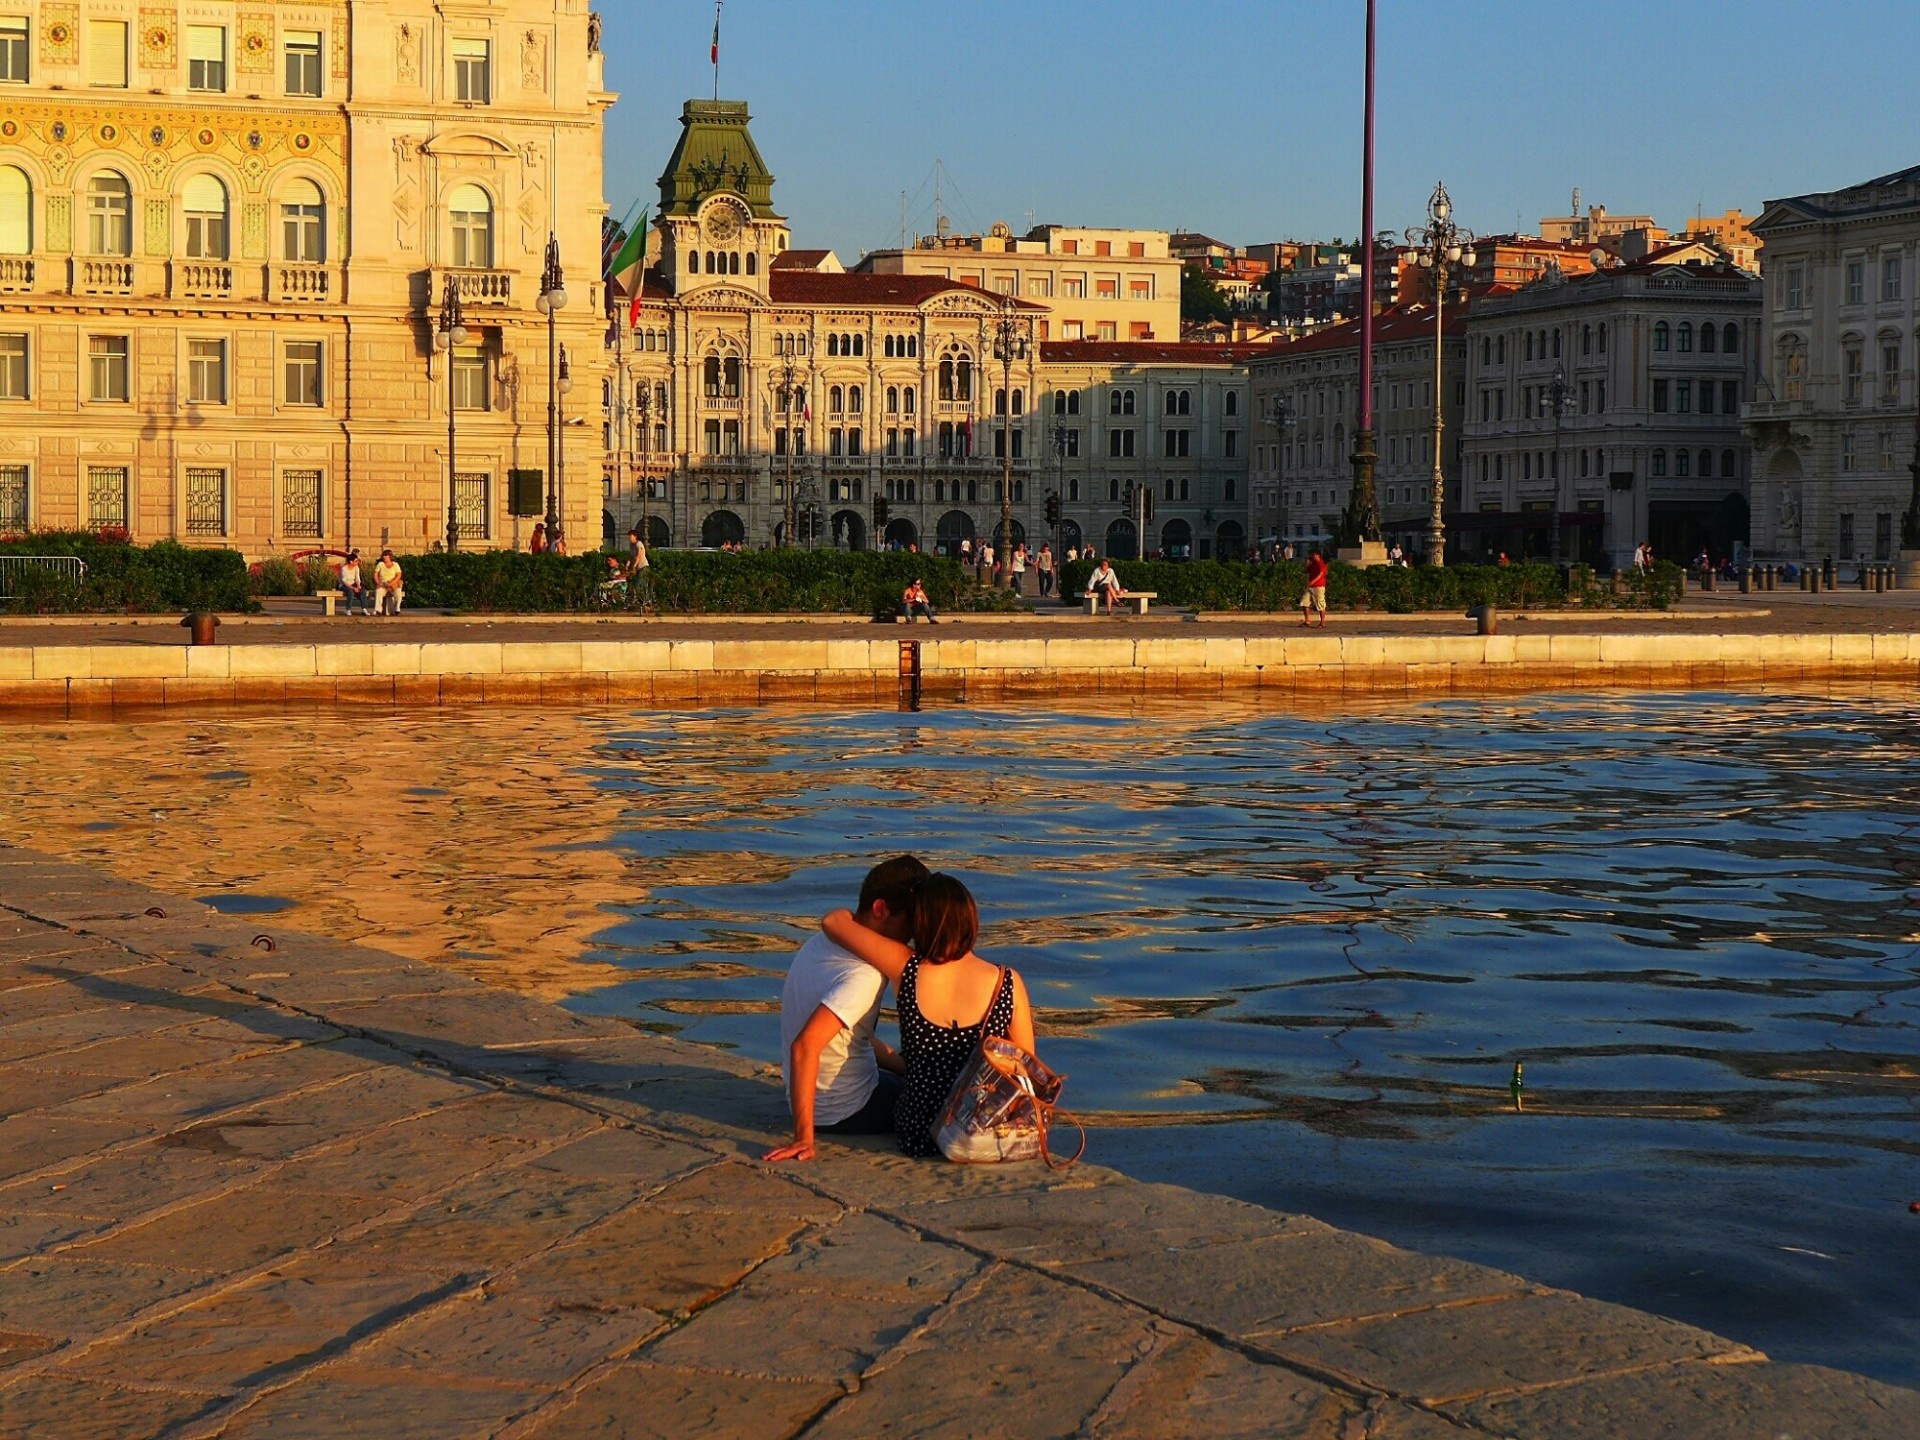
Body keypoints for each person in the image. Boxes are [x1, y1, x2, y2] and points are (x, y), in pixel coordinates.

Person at [821, 872, 1037, 1160]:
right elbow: (1024, 1069)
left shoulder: (905, 967)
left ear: (920, 923)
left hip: (919, 1134)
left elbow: (833, 922)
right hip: (978, 1133)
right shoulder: (1006, 982)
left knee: (893, 1079)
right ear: (970, 919)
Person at [764, 856, 929, 1163]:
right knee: (937, 1099)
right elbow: (805, 1046)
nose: (910, 938)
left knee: (916, 1079)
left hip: (817, 1099)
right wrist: (804, 1138)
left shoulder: (822, 942)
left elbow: (851, 1036)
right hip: (847, 1109)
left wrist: (906, 1068)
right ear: (881, 909)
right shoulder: (864, 976)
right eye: (910, 923)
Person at [370, 549, 405, 616]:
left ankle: (397, 609)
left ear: (390, 556)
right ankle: (378, 610)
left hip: (393, 584)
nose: (384, 557)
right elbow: (375, 574)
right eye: (383, 555)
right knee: (378, 592)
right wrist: (378, 583)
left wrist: (391, 583)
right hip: (383, 584)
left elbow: (399, 575)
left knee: (398, 593)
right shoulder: (380, 564)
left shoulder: (395, 564)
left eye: (386, 555)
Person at [1299, 547, 1328, 627]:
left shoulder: (1321, 564)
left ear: (1318, 555)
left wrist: (1312, 581)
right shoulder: (1313, 564)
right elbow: (1305, 571)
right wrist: (1307, 564)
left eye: (1314, 555)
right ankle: (1307, 620)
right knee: (1305, 602)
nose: (1312, 556)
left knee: (1320, 603)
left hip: (1319, 586)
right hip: (1311, 586)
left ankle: (1322, 622)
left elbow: (1321, 574)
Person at [338, 550, 371, 617]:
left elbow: (357, 578)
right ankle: (348, 609)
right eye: (356, 561)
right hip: (344, 585)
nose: (357, 562)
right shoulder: (344, 569)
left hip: (353, 583)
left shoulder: (356, 567)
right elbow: (344, 581)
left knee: (363, 591)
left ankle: (364, 609)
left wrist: (358, 585)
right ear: (351, 562)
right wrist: (353, 588)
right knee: (351, 592)